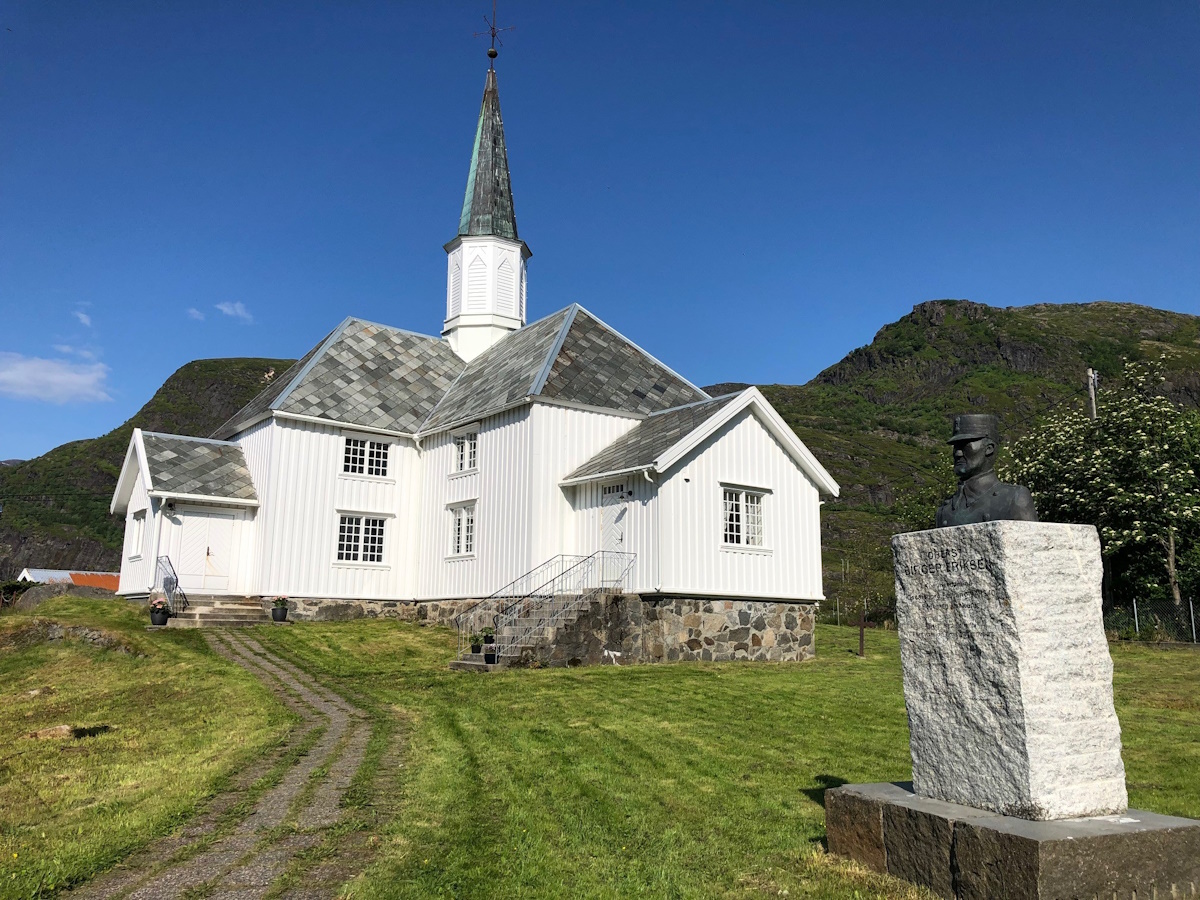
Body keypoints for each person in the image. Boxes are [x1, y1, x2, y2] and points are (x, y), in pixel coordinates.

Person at [936, 413, 1038, 527]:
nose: (958, 453)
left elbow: (1031, 541)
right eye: (956, 447)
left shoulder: (1014, 497)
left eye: (965, 446)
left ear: (989, 448)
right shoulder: (945, 510)